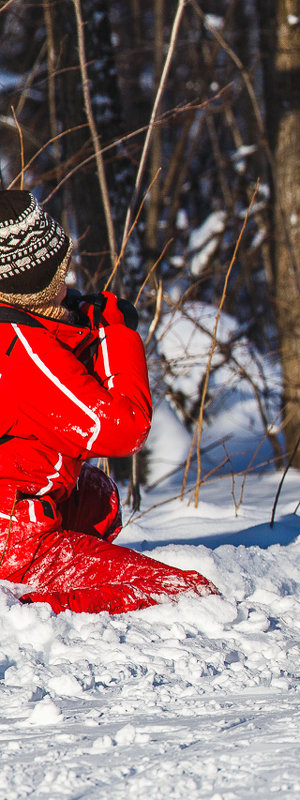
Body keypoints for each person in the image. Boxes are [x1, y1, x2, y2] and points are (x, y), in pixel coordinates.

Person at [0, 189, 218, 613]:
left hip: (22, 502)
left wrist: (83, 324)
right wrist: (116, 335)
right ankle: (27, 609)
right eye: (57, 278)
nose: (68, 285)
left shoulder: (22, 331)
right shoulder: (21, 348)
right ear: (28, 286)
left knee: (99, 500)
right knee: (188, 596)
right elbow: (121, 430)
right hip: (12, 535)